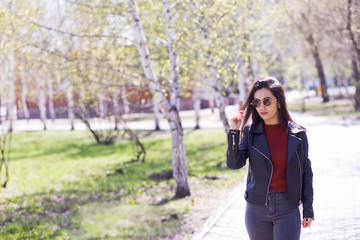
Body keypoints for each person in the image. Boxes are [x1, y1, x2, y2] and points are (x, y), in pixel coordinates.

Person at [226, 77, 314, 240]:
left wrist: (308, 209)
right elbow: (234, 163)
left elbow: (306, 173)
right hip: (256, 209)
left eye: (267, 101)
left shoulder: (297, 134)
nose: (261, 107)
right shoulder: (250, 132)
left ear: (279, 102)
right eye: (257, 102)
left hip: (287, 208)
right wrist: (233, 132)